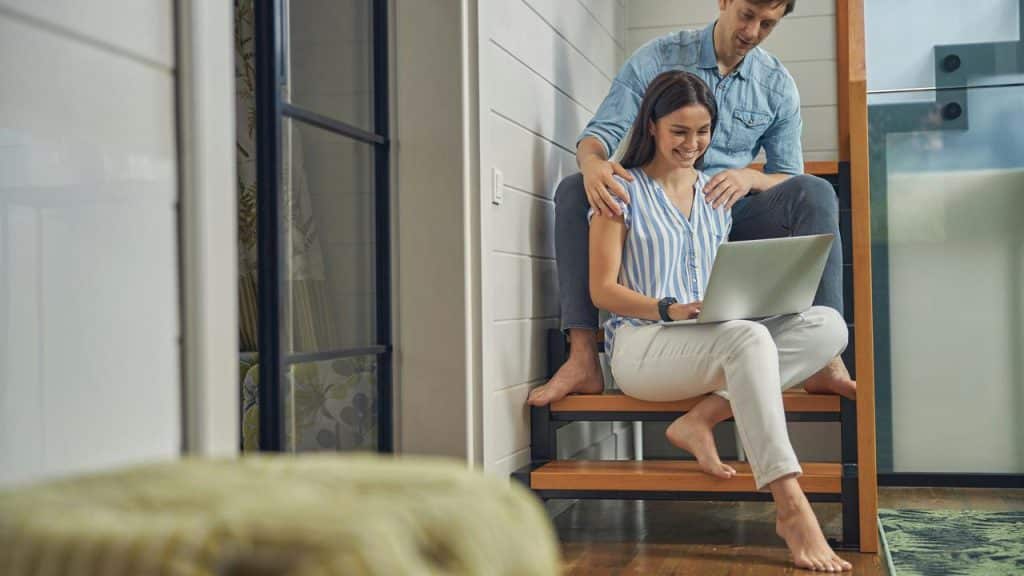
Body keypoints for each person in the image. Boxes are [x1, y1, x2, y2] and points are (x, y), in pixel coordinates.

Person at [527, 0, 856, 408]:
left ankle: (826, 360)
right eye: (747, 15)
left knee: (817, 191)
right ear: (724, 2)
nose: (752, 32)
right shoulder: (659, 58)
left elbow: (788, 175)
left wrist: (749, 177)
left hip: (732, 211)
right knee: (577, 189)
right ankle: (581, 357)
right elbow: (600, 135)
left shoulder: (776, 84)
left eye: (767, 24)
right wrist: (593, 163)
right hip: (662, 204)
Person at [587, 69, 852, 572]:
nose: (692, 144)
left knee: (828, 325)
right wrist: (667, 308)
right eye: (679, 132)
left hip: (713, 335)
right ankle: (791, 506)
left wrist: (753, 176)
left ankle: (702, 417)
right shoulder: (621, 192)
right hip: (643, 346)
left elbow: (786, 181)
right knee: (748, 339)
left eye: (702, 132)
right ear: (652, 128)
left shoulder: (717, 194)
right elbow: (602, 291)